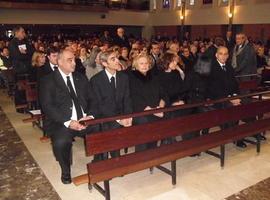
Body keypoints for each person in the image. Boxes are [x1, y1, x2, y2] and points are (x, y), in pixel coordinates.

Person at [39, 49, 99, 184]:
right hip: (61, 122)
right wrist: (68, 121)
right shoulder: (48, 80)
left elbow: (93, 99)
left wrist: (90, 116)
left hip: (84, 119)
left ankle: (99, 162)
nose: (74, 63)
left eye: (74, 59)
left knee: (104, 128)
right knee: (61, 142)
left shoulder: (80, 77)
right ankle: (66, 170)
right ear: (59, 62)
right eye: (69, 60)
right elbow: (48, 106)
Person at [89, 50, 132, 160]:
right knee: (110, 126)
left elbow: (127, 99)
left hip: (122, 114)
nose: (118, 61)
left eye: (117, 58)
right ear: (104, 63)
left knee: (145, 122)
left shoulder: (124, 77)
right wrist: (118, 120)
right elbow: (99, 105)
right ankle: (110, 159)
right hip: (104, 116)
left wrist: (128, 116)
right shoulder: (96, 80)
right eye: (113, 59)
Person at [207, 46, 247, 148]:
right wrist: (230, 98)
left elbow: (235, 84)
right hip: (217, 99)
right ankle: (236, 137)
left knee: (247, 105)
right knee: (232, 109)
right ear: (216, 55)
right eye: (221, 53)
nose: (223, 56)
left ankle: (254, 131)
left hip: (230, 97)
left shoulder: (229, 67)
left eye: (225, 54)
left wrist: (235, 95)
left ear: (228, 55)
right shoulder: (211, 68)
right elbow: (213, 88)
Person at [128, 54, 167, 151]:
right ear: (136, 65)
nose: (144, 65)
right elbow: (135, 99)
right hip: (140, 111)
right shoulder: (131, 78)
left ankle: (154, 152)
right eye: (141, 63)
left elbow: (163, 94)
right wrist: (153, 111)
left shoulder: (154, 77)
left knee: (168, 117)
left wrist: (161, 108)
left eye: (146, 63)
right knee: (146, 121)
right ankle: (142, 155)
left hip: (156, 110)